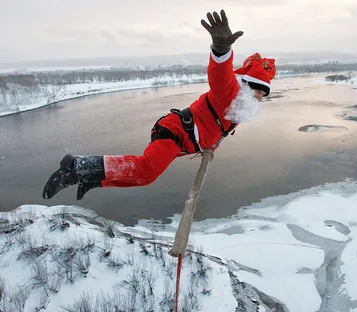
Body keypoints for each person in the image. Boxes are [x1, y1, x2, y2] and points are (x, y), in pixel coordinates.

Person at [42, 9, 276, 201]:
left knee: (146, 175)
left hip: (183, 142)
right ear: (244, 86)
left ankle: (92, 179)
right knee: (147, 171)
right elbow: (220, 74)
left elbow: (216, 127)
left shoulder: (238, 108)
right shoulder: (231, 94)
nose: (258, 98)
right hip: (174, 132)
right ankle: (75, 168)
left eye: (263, 94)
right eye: (257, 90)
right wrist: (221, 51)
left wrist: (210, 147)